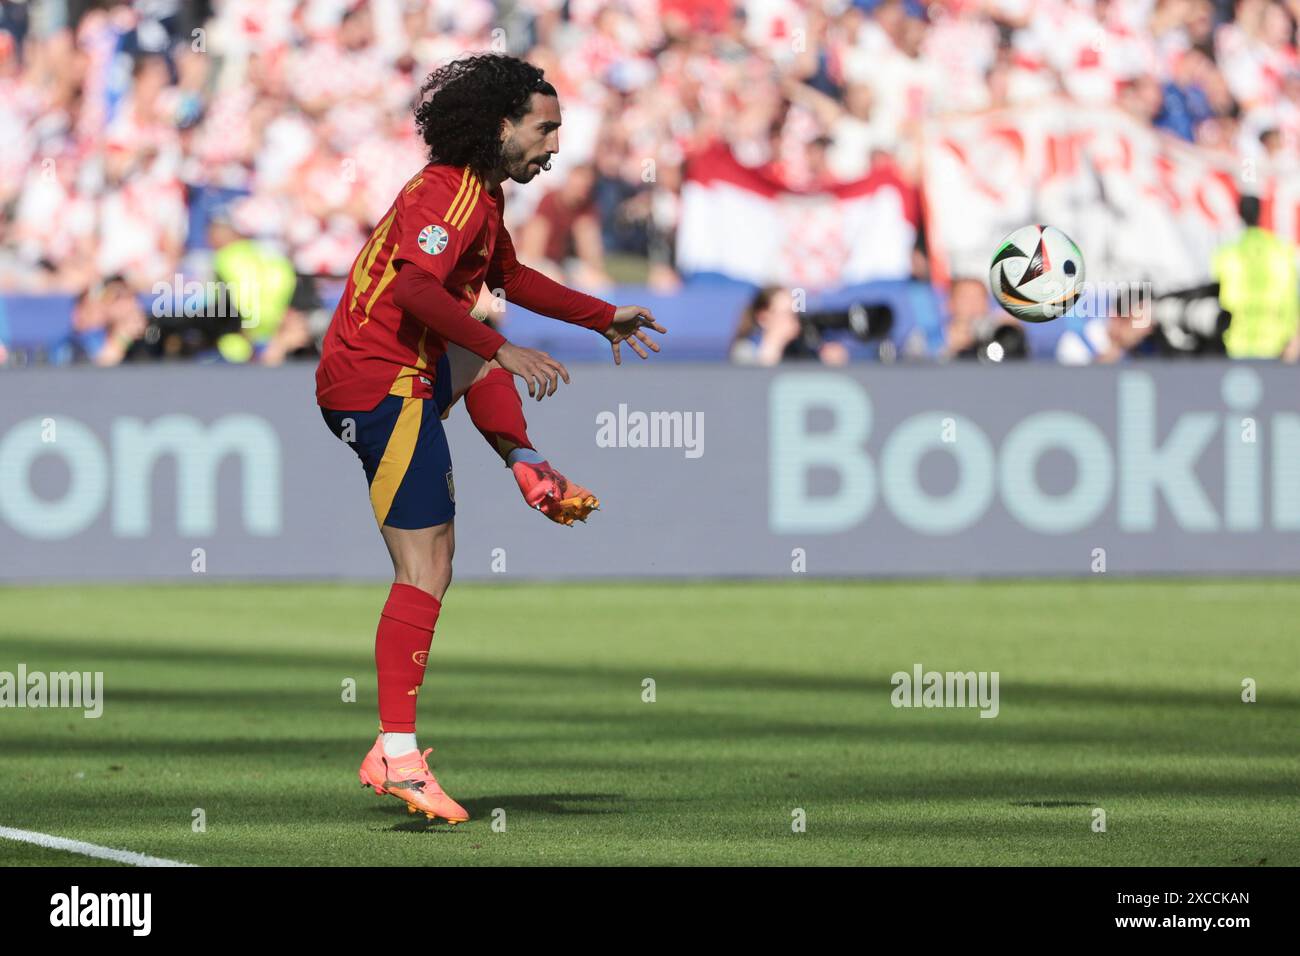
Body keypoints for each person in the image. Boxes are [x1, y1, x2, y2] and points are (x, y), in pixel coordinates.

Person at [314, 53, 666, 825]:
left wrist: (602, 316)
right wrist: (501, 348)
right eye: (545, 129)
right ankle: (397, 754)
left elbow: (510, 279)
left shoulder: (482, 199)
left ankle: (527, 463)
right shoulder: (448, 192)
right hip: (381, 381)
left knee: (481, 341)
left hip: (394, 372)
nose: (555, 146)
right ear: (501, 125)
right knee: (427, 565)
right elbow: (411, 286)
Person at [1213, 194, 1300, 361]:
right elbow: (1293, 296)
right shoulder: (1281, 250)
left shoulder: (1226, 253)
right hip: (1275, 343)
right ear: (1262, 213)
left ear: (1238, 214)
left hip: (1236, 343)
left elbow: (1214, 294)